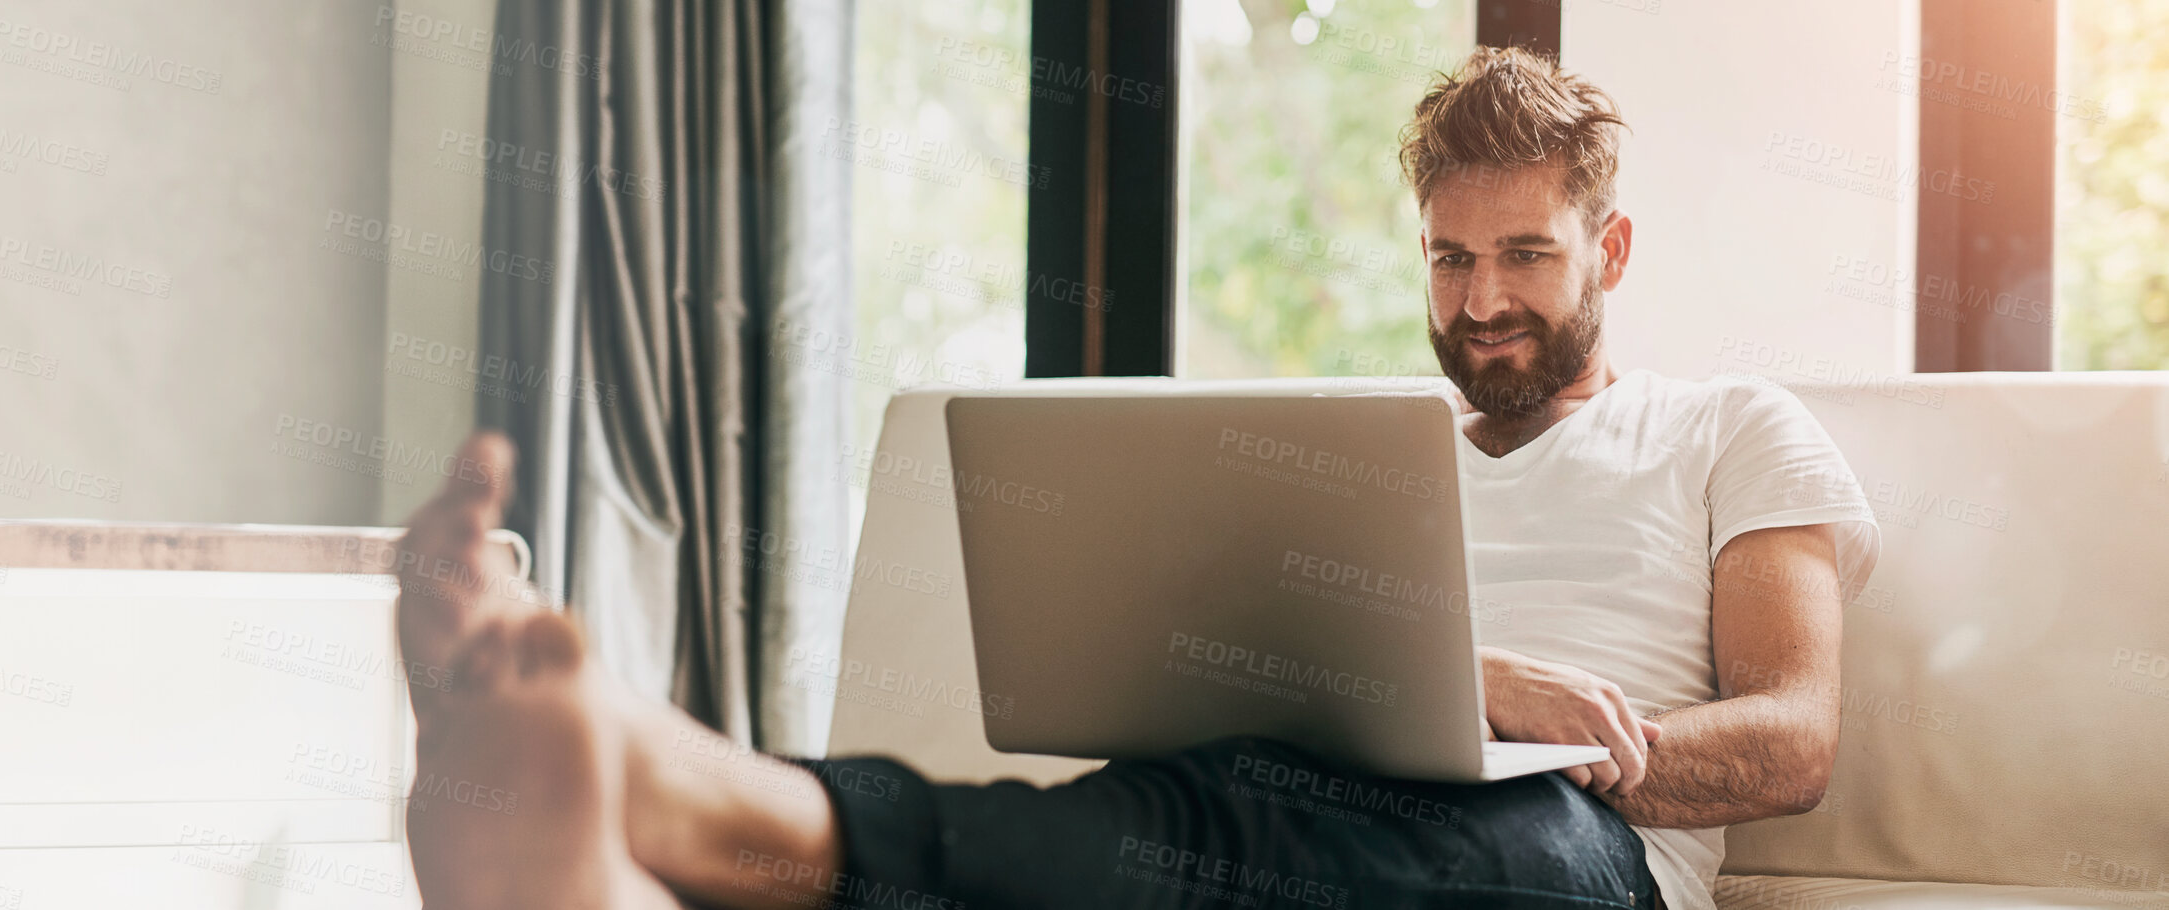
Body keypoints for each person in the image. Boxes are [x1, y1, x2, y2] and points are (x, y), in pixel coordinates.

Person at [393, 46, 1879, 910]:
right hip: (1319, 797)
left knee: (1211, 842)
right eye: (1449, 255)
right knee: (1168, 811)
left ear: (1608, 251)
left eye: (1525, 256)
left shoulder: (1727, 428)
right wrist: (1440, 681)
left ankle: (710, 805)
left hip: (1574, 852)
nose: (1481, 298)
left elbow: (1793, 738)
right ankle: (637, 841)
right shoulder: (1375, 463)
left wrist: (1561, 731)